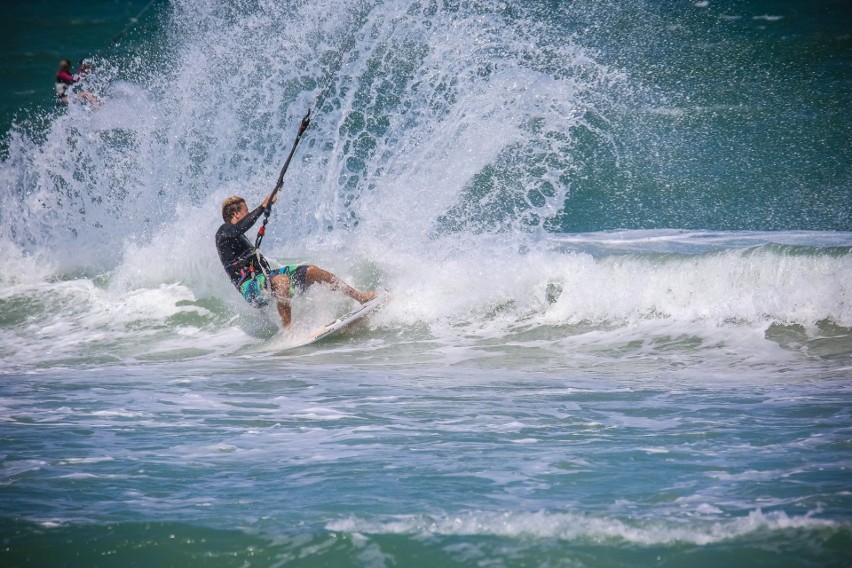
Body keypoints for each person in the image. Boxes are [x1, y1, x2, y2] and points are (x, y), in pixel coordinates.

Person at [215, 192, 376, 328]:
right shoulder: (224, 232)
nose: (248, 214)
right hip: (250, 289)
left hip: (265, 278)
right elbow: (240, 227)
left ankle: (360, 296)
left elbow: (242, 228)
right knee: (281, 280)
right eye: (246, 211)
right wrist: (263, 205)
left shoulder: (237, 234)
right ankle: (288, 332)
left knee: (312, 271)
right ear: (236, 214)